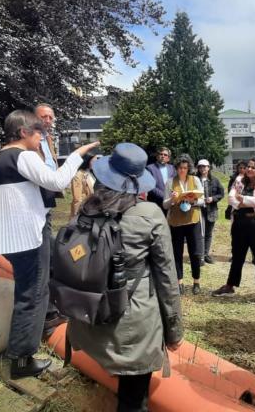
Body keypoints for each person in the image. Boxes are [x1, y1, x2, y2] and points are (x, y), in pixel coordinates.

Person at [0, 109, 97, 378]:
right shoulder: (22, 155)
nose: (41, 140)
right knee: (32, 294)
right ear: (23, 132)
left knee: (33, 288)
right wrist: (77, 155)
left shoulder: (2, 157)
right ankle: (22, 359)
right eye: (39, 134)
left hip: (16, 235)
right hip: (27, 236)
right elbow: (56, 181)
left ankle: (39, 328)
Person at [67, 143, 183, 412]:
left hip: (89, 315)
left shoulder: (86, 209)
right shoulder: (149, 214)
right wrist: (174, 331)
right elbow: (167, 277)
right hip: (133, 323)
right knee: (133, 401)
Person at [212, 159, 255, 310]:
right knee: (237, 257)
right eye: (248, 167)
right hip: (240, 225)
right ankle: (230, 285)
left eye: (253, 167)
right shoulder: (239, 180)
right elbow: (231, 197)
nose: (249, 169)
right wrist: (242, 201)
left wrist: (243, 200)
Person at [33, 103, 68, 335]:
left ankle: (51, 307)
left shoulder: (48, 139)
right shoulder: (30, 142)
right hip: (34, 205)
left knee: (51, 257)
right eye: (44, 116)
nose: (48, 120)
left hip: (45, 204)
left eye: (50, 117)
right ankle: (44, 316)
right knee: (42, 261)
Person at [163, 154, 204, 295]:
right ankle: (179, 281)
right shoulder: (170, 182)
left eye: (185, 168)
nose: (182, 170)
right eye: (180, 168)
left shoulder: (195, 179)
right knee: (177, 253)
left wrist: (194, 201)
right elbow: (165, 204)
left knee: (195, 252)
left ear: (189, 168)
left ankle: (196, 281)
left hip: (192, 219)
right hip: (176, 222)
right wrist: (173, 200)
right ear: (176, 168)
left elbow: (202, 200)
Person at [195, 159, 223, 265]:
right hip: (197, 210)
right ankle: (199, 256)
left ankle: (206, 254)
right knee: (198, 234)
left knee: (208, 234)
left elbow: (221, 194)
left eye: (205, 166)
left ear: (209, 167)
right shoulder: (194, 179)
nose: (203, 168)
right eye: (200, 166)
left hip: (211, 211)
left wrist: (213, 198)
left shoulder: (214, 180)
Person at [69, 151, 97, 219]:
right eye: (93, 161)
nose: (96, 163)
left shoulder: (92, 173)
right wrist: (77, 215)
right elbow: (77, 198)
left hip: (93, 207)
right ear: (87, 161)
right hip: (84, 210)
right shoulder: (78, 175)